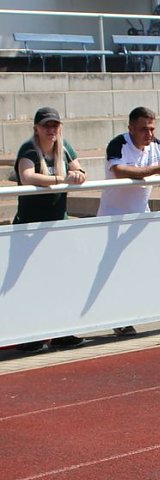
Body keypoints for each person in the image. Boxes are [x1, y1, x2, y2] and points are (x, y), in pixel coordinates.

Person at [98, 107, 160, 337]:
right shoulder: (118, 144)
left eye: (152, 128)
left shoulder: (156, 145)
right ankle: (117, 318)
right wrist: (157, 169)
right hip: (112, 219)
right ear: (131, 128)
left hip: (140, 219)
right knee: (112, 273)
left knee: (137, 269)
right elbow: (120, 171)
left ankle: (133, 313)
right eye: (143, 129)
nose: (148, 134)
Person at [13, 107, 88, 352]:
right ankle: (31, 334)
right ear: (36, 128)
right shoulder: (28, 149)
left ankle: (62, 332)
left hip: (57, 226)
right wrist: (60, 180)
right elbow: (27, 176)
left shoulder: (64, 146)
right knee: (30, 281)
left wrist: (76, 175)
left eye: (55, 125)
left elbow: (79, 170)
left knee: (60, 279)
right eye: (46, 125)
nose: (51, 130)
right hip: (29, 227)